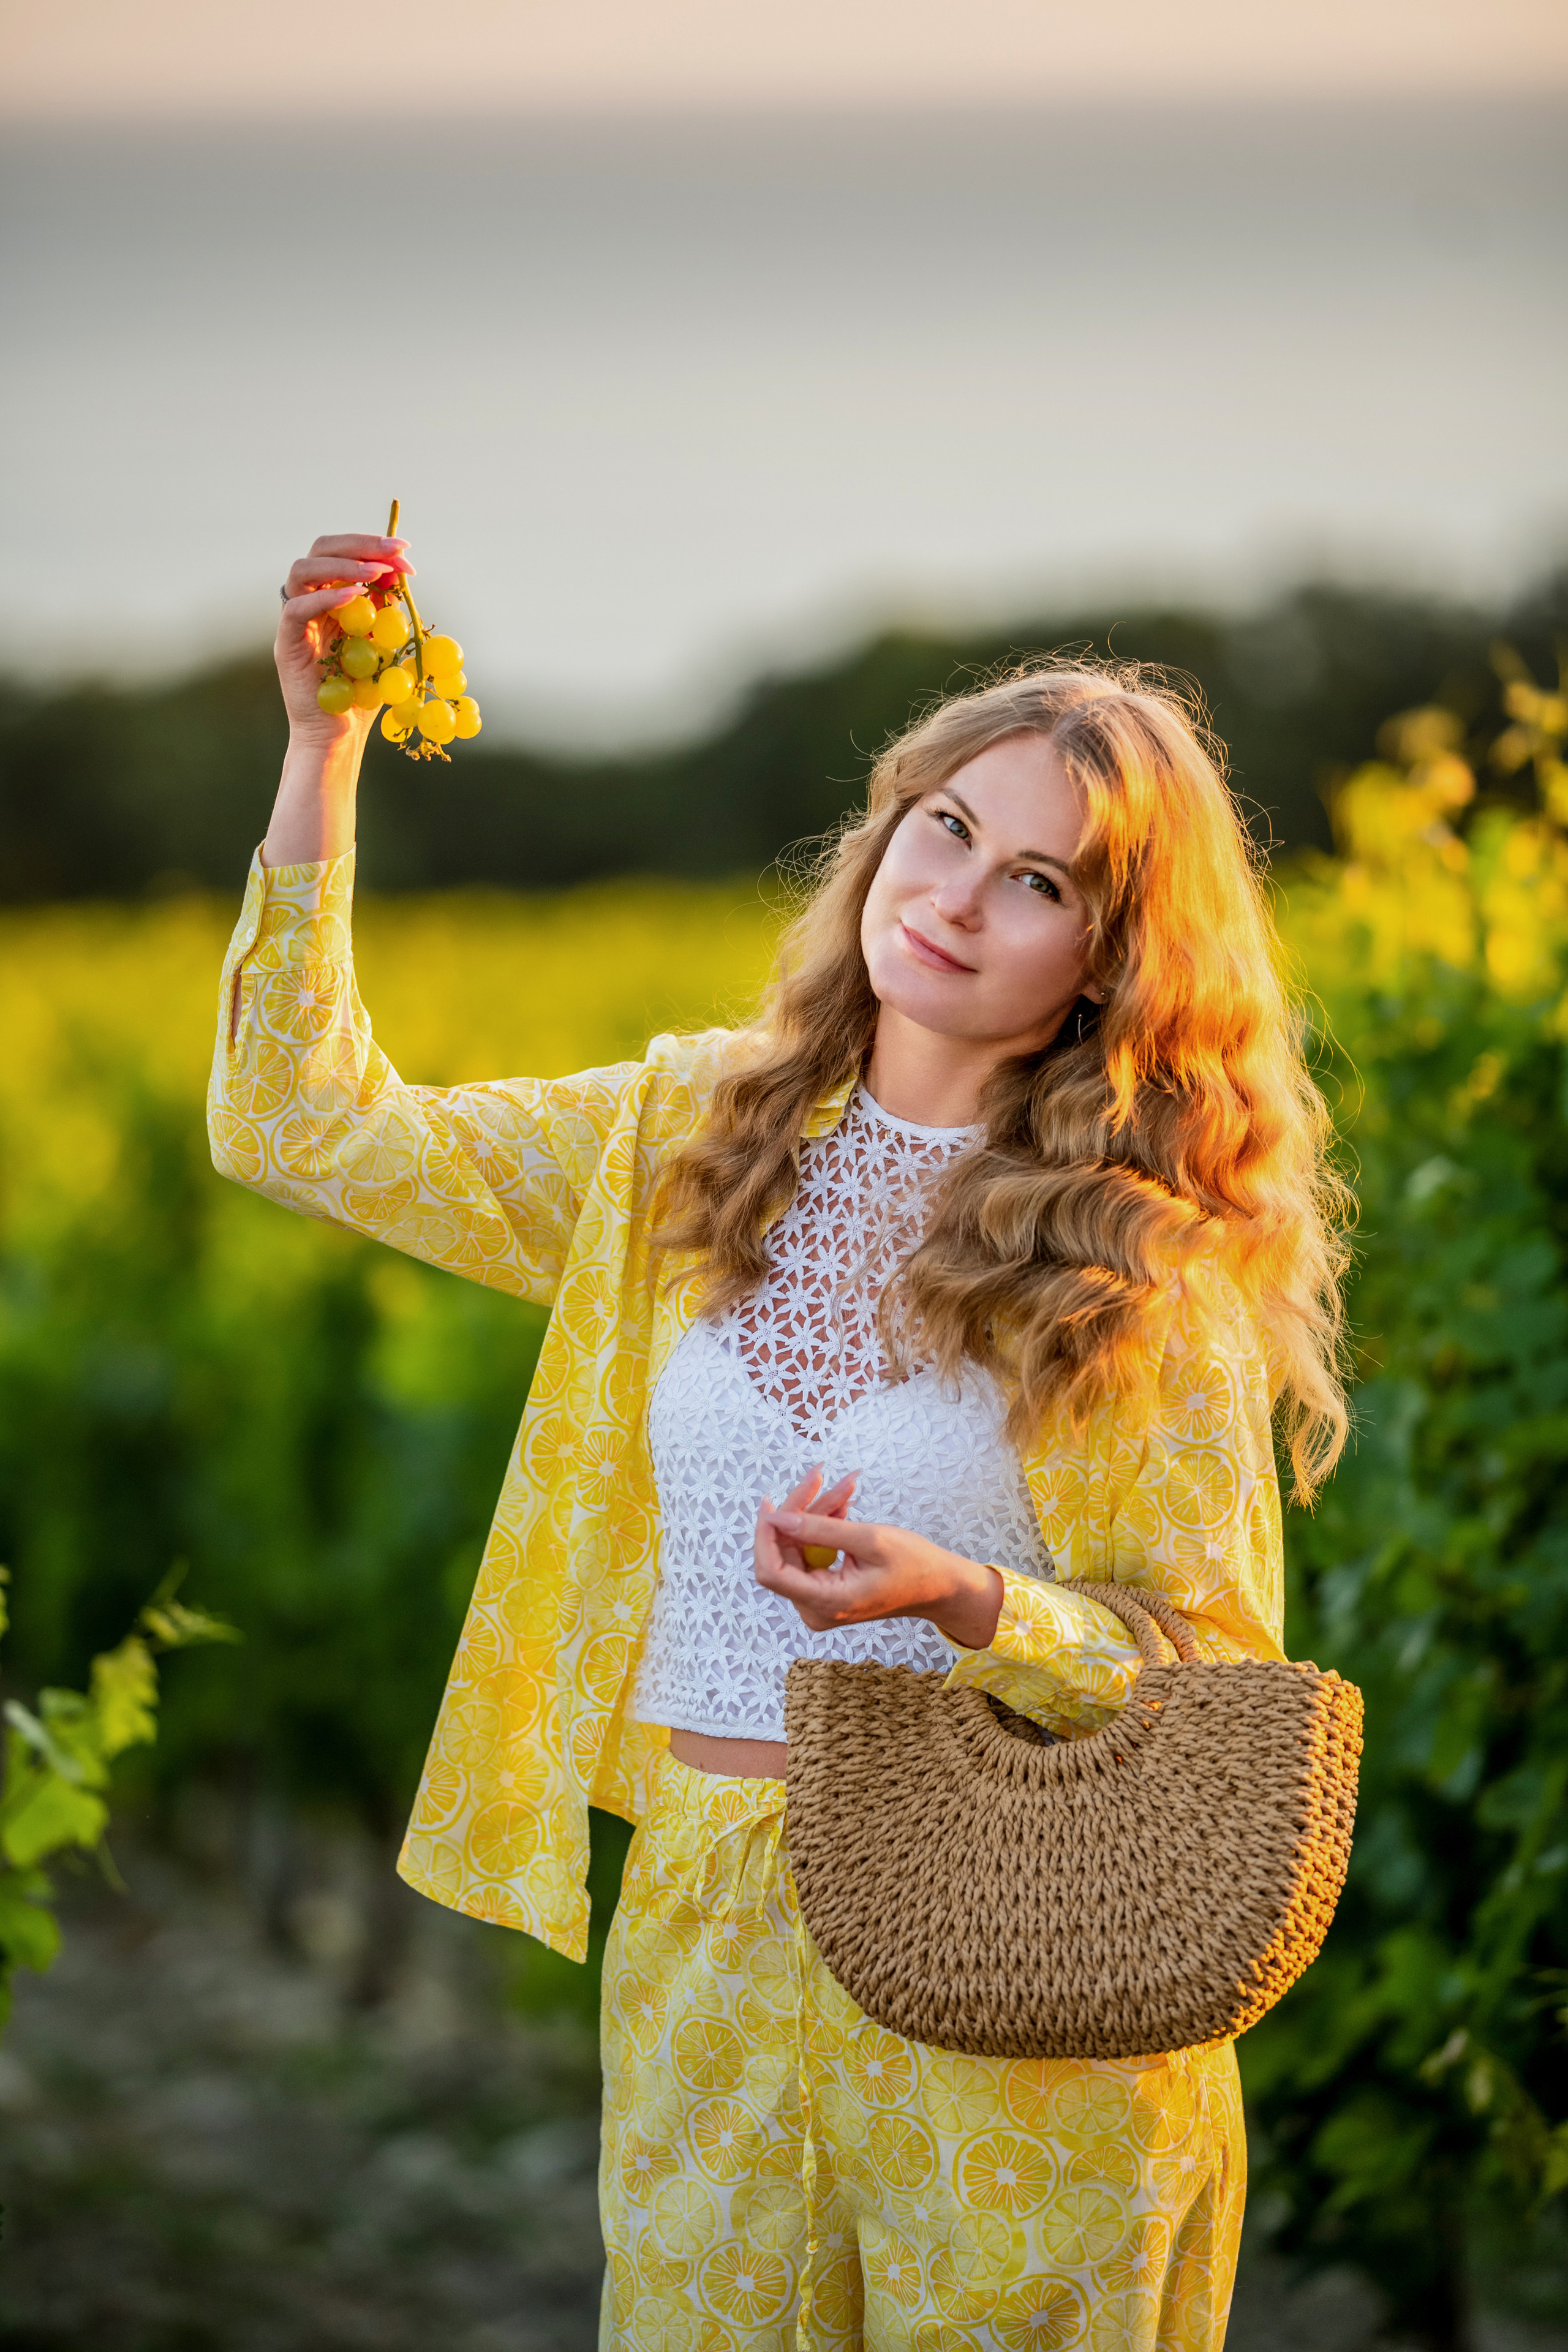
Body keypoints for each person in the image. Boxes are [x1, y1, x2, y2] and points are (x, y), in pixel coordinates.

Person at [210, 529, 1350, 2351]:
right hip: (708, 1920)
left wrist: (972, 1602)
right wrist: (321, 754)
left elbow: (1211, 1671)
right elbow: (297, 1126)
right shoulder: (682, 1140)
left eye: (1040, 877)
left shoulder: (1137, 1259)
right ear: (886, 832)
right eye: (947, 827)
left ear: (1109, 962)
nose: (962, 896)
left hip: (1013, 1966)